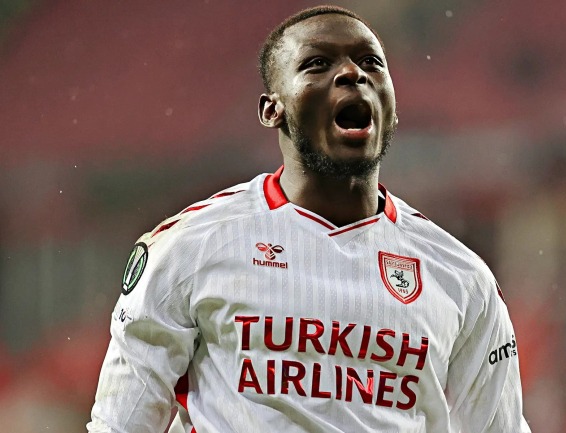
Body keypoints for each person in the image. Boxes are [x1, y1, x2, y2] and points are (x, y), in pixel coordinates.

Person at [88, 5, 531, 432]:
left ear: (393, 106)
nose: (352, 73)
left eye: (371, 63)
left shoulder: (460, 276)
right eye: (317, 63)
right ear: (272, 109)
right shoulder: (190, 246)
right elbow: (119, 425)